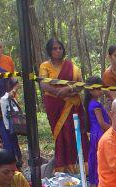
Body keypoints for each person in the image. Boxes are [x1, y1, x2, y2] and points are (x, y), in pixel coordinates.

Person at [38, 38, 87, 174]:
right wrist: (59, 92)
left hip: (72, 105)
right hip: (55, 105)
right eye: (54, 48)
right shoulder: (44, 66)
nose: (58, 51)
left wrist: (68, 89)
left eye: (60, 48)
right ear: (49, 50)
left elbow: (80, 84)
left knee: (73, 133)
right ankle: (63, 167)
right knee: (61, 135)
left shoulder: (71, 66)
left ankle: (79, 166)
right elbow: (43, 84)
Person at [84, 77, 110, 187]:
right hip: (100, 134)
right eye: (98, 88)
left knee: (95, 159)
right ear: (90, 90)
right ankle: (99, 186)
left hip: (95, 134)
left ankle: (95, 186)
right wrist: (115, 130)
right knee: (99, 160)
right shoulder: (95, 105)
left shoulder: (91, 103)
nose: (100, 91)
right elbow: (102, 123)